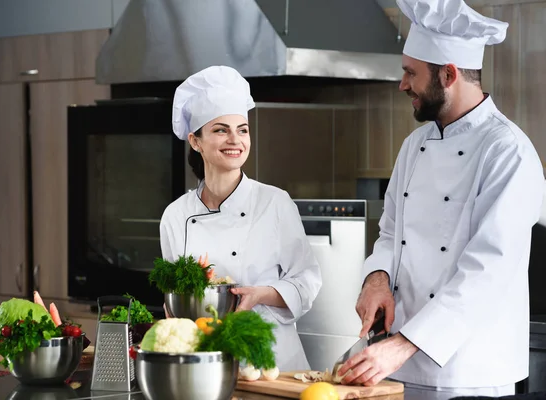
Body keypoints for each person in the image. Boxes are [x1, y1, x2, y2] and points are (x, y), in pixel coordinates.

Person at [337, 0, 545, 396]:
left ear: (448, 75)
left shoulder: (508, 152)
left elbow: (487, 272)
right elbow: (391, 232)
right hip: (397, 363)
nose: (402, 84)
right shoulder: (415, 145)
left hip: (468, 372)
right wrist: (377, 278)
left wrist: (403, 345)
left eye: (410, 73)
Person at [159, 65, 322, 371]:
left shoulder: (274, 203)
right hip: (206, 361)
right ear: (195, 141)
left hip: (273, 361)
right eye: (221, 129)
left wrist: (261, 295)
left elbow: (306, 282)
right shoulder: (175, 216)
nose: (235, 139)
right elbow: (176, 298)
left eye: (242, 130)